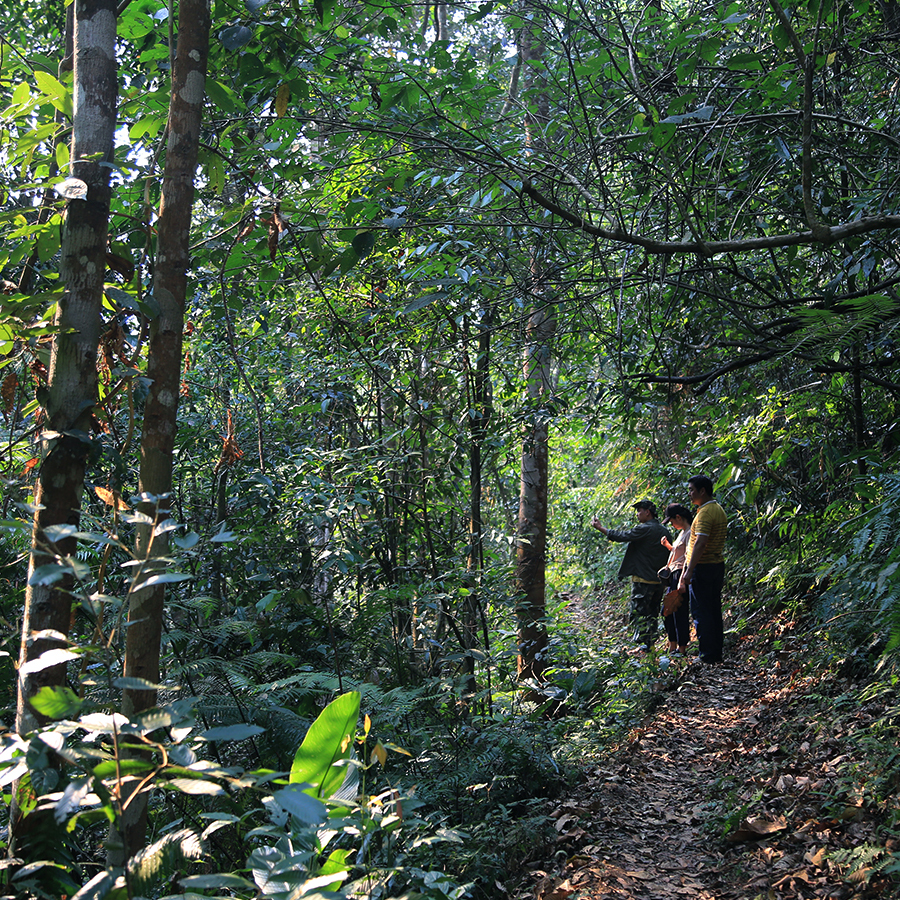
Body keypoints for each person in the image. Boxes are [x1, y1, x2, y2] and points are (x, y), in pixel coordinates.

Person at [593, 501, 670, 652]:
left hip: (644, 580)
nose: (637, 514)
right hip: (659, 581)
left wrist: (601, 528)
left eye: (639, 511)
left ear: (648, 512)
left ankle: (644, 647)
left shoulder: (645, 528)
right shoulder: (664, 530)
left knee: (640, 613)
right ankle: (651, 645)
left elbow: (622, 536)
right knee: (653, 613)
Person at [677, 475, 728, 663]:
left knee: (702, 611)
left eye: (692, 490)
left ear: (702, 491)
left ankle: (707, 654)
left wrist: (689, 569)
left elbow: (700, 542)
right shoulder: (718, 509)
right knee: (713, 609)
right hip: (716, 565)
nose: (689, 494)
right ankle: (715, 652)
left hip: (703, 566)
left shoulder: (706, 512)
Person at [659, 503, 693, 653]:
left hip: (680, 574)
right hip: (674, 573)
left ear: (678, 517)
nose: (672, 525)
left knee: (679, 612)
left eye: (672, 521)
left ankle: (682, 647)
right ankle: (673, 644)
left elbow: (688, 557)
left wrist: (682, 580)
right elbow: (678, 552)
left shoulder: (691, 532)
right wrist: (668, 546)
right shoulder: (683, 532)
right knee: (667, 611)